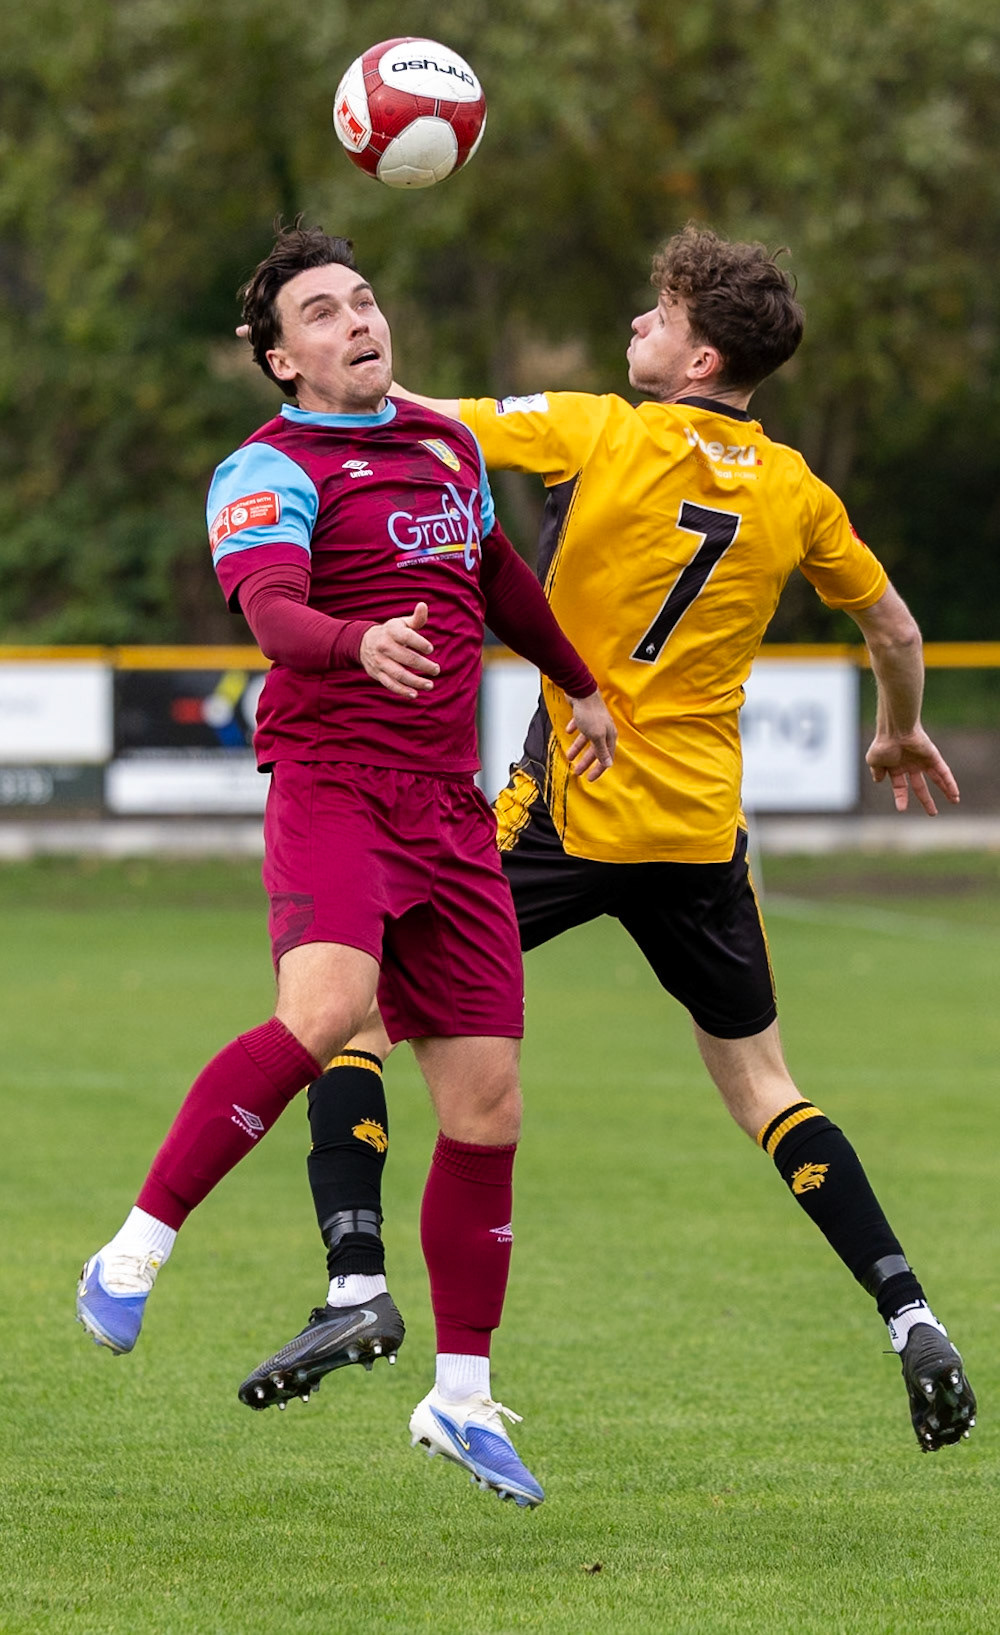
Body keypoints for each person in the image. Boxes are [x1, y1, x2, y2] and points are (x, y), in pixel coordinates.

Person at [241, 224, 977, 1455]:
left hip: (563, 813)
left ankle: (355, 1280)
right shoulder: (799, 495)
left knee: (347, 1006)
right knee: (764, 1089)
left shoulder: (600, 427)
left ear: (695, 361)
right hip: (696, 835)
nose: (638, 325)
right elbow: (895, 629)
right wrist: (898, 729)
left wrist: (312, 360)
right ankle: (908, 1312)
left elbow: (406, 408)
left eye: (658, 313)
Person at [76, 221, 618, 1511]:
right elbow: (268, 608)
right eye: (323, 312)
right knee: (321, 1018)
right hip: (334, 791)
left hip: (450, 809)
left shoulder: (446, 441)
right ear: (283, 359)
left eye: (364, 299)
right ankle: (135, 1250)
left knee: (487, 1108)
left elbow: (495, 574)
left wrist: (578, 682)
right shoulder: (261, 467)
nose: (358, 320)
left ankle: (461, 1398)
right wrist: (351, 644)